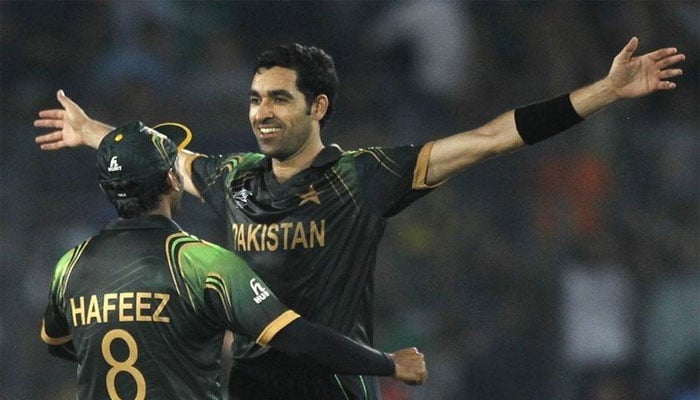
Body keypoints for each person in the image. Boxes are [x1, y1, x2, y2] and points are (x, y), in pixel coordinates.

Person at [35, 37, 685, 399]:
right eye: (256, 98)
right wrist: (90, 129)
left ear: (318, 106)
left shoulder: (364, 175)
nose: (260, 112)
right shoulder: (229, 177)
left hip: (337, 389)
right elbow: (155, 159)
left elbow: (491, 138)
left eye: (279, 99)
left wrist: (600, 92)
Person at [39, 121, 427, 400]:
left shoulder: (69, 266)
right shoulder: (201, 263)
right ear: (173, 180)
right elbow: (296, 338)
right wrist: (387, 363)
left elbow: (60, 343)